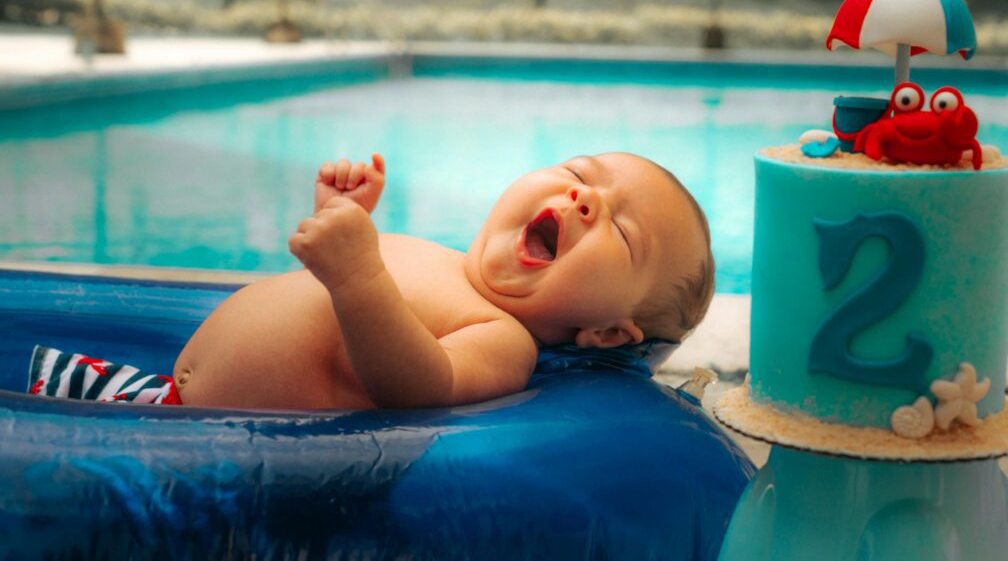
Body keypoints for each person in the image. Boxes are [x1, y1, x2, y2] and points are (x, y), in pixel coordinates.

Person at [30, 152, 714, 410]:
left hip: (190, 449)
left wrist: (359, 275)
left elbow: (417, 383)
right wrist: (343, 222)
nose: (584, 200)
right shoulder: (438, 257)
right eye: (578, 173)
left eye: (622, 233)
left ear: (604, 332)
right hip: (145, 395)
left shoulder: (504, 340)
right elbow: (318, 303)